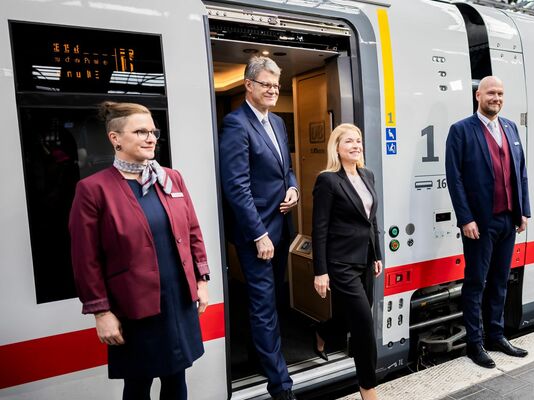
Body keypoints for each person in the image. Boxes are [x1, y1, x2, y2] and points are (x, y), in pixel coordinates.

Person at [69, 102, 210, 400]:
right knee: (137, 385)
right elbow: (85, 259)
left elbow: (193, 232)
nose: (150, 138)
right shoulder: (93, 189)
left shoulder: (171, 178)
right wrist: (101, 312)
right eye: (140, 132)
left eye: (153, 132)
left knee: (177, 379)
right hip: (133, 308)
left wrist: (202, 280)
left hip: (178, 300)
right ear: (115, 138)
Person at [219, 56, 298, 400]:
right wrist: (259, 234)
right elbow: (236, 186)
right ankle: (281, 387)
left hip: (281, 228)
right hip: (258, 237)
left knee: (273, 300)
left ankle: (257, 358)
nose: (273, 90)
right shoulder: (236, 124)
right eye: (266, 84)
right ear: (248, 85)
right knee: (264, 307)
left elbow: (286, 170)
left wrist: (293, 189)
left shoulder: (277, 122)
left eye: (276, 85)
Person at [445, 76, 531, 369]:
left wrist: (523, 210)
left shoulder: (511, 127)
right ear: (478, 96)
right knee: (476, 282)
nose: (497, 98)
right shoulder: (461, 130)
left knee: (500, 280)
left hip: (508, 219)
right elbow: (455, 178)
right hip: (479, 223)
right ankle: (475, 343)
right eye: (491, 93)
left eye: (501, 94)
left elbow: (520, 172)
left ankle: (496, 335)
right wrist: (465, 218)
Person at [311, 124, 382, 400]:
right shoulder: (328, 181)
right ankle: (368, 388)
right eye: (349, 141)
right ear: (337, 147)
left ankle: (322, 330)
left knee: (350, 316)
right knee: (364, 324)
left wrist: (376, 254)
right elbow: (320, 228)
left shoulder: (367, 174)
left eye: (358, 140)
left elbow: (371, 219)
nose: (356, 145)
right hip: (341, 263)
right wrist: (320, 271)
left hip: (365, 259)